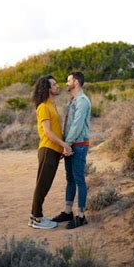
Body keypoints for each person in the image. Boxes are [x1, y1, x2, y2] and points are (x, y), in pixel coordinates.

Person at [29, 75, 73, 229]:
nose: (57, 86)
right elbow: (47, 132)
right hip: (47, 149)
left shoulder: (52, 105)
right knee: (42, 185)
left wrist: (61, 148)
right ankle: (36, 218)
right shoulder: (43, 107)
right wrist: (64, 145)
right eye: (54, 85)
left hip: (53, 151)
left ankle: (36, 216)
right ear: (47, 89)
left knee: (45, 185)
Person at [52, 71, 91, 229]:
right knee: (70, 179)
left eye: (68, 80)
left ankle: (81, 216)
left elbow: (77, 125)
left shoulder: (83, 101)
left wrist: (66, 145)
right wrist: (65, 145)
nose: (66, 83)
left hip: (79, 145)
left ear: (76, 82)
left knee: (79, 179)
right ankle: (68, 211)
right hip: (70, 145)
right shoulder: (73, 100)